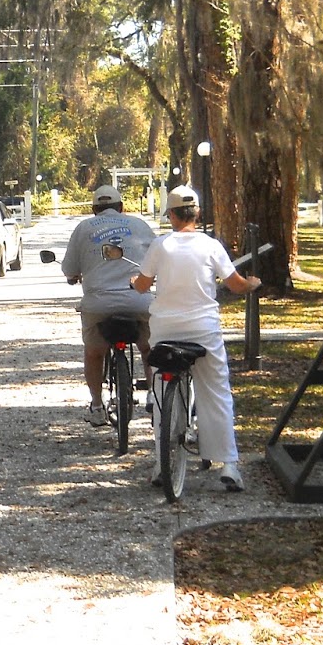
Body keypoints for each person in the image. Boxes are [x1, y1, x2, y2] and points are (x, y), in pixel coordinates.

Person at [130, 184, 261, 492]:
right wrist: (252, 283)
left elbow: (143, 285)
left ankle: (161, 464)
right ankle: (228, 465)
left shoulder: (160, 245)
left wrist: (135, 281)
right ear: (197, 213)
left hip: (166, 329)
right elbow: (236, 285)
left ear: (172, 216)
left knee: (161, 391)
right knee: (216, 392)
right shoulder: (211, 245)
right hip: (204, 330)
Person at [61, 184, 155, 427]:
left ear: (94, 209)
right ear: (121, 207)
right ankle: (154, 395)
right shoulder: (139, 225)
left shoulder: (83, 228)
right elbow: (157, 259)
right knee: (149, 348)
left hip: (99, 304)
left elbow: (69, 269)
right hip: (138, 300)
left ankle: (96, 405)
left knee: (94, 353)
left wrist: (74, 276)